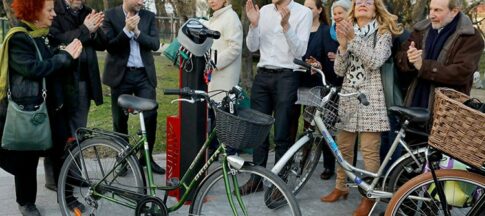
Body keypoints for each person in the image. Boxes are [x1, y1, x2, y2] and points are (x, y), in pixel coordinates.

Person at [319, 1, 403, 216]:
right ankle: (341, 187)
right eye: (359, 1)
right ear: (354, 8)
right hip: (348, 96)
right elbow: (339, 69)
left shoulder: (382, 33)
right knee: (343, 148)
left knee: (369, 152)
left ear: (376, 9)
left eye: (368, 1)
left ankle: (369, 197)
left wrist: (354, 40)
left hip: (371, 99)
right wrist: (344, 45)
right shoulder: (347, 30)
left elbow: (375, 61)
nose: (363, 4)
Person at [0, 0, 83, 215]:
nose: (54, 14)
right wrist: (64, 57)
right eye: (49, 10)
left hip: (55, 109)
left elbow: (54, 63)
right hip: (31, 111)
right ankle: (26, 202)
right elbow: (33, 68)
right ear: (34, 12)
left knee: (62, 155)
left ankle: (67, 197)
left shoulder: (44, 35)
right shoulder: (19, 38)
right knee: (26, 159)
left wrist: (68, 55)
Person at [240, 0, 312, 194]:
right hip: (263, 75)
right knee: (258, 131)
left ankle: (279, 184)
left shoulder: (304, 13)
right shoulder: (263, 11)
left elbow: (300, 51)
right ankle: (256, 180)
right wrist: (254, 24)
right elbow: (252, 46)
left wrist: (286, 26)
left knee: (282, 133)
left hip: (287, 76)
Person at [44, 0, 106, 191]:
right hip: (62, 80)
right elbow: (57, 40)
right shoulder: (54, 10)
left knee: (78, 130)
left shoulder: (88, 11)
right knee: (59, 132)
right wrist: (86, 29)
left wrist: (94, 30)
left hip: (84, 80)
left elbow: (103, 44)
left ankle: (74, 173)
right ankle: (54, 178)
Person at [102, 0, 164, 174]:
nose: (141, 2)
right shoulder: (111, 16)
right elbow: (110, 47)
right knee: (120, 120)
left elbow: (155, 44)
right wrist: (126, 31)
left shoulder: (149, 16)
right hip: (121, 76)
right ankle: (123, 159)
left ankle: (147, 159)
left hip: (144, 75)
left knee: (151, 115)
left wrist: (136, 32)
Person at [395, 0, 484, 109]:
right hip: (412, 102)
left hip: (448, 111)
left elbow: (461, 73)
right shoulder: (420, 30)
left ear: (454, 11)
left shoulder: (471, 37)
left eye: (437, 10)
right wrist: (409, 58)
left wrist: (423, 66)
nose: (431, 15)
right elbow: (399, 57)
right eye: (430, 9)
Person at [203, 0, 243, 156]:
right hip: (213, 77)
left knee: (226, 118)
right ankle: (212, 152)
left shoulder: (231, 17)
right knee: (213, 116)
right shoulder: (215, 18)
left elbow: (235, 47)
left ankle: (232, 157)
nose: (211, 1)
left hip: (224, 77)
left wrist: (214, 63)